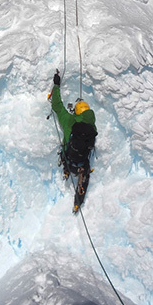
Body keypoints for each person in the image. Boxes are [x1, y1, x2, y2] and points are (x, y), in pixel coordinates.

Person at [49, 69, 97, 212]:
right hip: (82, 163)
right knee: (85, 171)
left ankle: (66, 170)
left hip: (68, 159)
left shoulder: (70, 121)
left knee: (66, 147)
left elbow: (57, 106)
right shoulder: (92, 126)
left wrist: (56, 85)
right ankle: (78, 201)